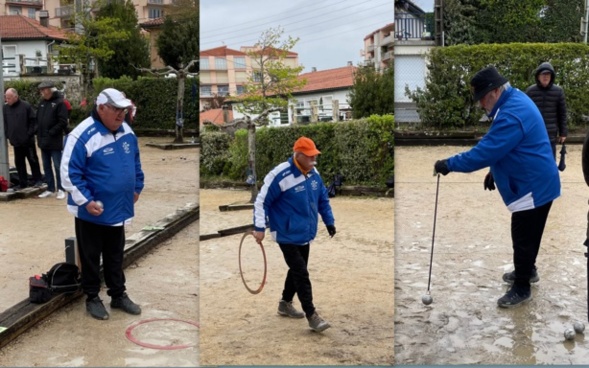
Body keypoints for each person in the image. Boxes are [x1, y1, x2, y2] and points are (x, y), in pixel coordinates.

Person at [433, 66, 560, 308]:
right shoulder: (515, 99)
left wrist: (448, 164)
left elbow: (482, 153)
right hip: (539, 180)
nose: (481, 104)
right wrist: (496, 170)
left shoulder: (511, 114)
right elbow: (511, 146)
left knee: (523, 235)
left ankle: (522, 286)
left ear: (494, 91)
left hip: (532, 186)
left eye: (481, 97)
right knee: (530, 233)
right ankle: (528, 270)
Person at [60, 88, 145, 320]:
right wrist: (86, 201)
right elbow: (69, 174)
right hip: (92, 210)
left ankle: (118, 294)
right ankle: (92, 297)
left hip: (119, 208)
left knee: (115, 254)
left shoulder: (127, 130)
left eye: (124, 110)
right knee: (90, 255)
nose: (121, 115)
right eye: (116, 110)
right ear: (101, 108)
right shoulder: (82, 135)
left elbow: (135, 163)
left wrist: (137, 187)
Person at [253, 136, 336, 332]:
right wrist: (259, 227)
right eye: (310, 157)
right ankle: (312, 315)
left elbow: (323, 199)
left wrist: (329, 221)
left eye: (315, 156)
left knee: (297, 269)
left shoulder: (313, 172)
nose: (314, 160)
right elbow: (261, 202)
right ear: (298, 156)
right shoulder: (280, 175)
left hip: (304, 232)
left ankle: (285, 303)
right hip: (285, 232)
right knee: (301, 271)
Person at [3, 88, 43, 189]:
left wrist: (28, 134)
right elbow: (5, 123)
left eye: (9, 98)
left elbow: (33, 122)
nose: (7, 100)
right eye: (6, 98)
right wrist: (8, 135)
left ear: (16, 97)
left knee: (32, 160)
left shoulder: (26, 106)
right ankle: (22, 182)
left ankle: (38, 180)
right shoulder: (5, 108)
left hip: (27, 141)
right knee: (19, 163)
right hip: (15, 141)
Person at [525, 62, 568, 158]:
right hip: (533, 133)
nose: (546, 77)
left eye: (548, 74)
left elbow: (562, 114)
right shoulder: (530, 91)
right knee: (533, 159)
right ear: (538, 76)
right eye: (543, 74)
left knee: (550, 160)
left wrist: (563, 133)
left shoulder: (558, 91)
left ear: (551, 76)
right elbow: (525, 113)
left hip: (550, 134)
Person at [36, 81, 68, 199]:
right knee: (46, 165)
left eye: (43, 89)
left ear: (49, 90)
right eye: (41, 90)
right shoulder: (42, 103)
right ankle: (50, 188)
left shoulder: (60, 103)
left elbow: (62, 122)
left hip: (54, 141)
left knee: (57, 165)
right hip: (43, 140)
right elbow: (38, 119)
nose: (42, 92)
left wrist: (52, 132)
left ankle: (61, 188)